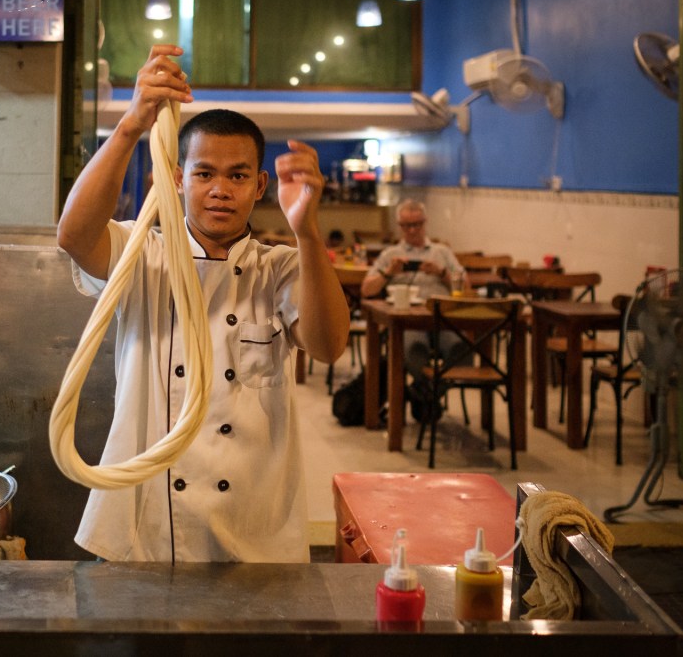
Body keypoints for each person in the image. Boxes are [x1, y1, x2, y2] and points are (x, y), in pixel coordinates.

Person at [56, 45, 349, 563]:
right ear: (177, 178)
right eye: (204, 173)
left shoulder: (279, 267)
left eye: (238, 176)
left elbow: (327, 346)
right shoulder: (144, 253)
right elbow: (74, 236)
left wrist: (307, 231)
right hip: (146, 523)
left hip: (253, 522)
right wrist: (130, 125)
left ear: (260, 185)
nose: (220, 190)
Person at [360, 200, 465, 412]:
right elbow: (367, 290)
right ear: (400, 226)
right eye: (407, 226)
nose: (412, 230)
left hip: (442, 320)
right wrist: (389, 273)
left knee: (462, 349)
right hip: (407, 321)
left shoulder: (442, 252)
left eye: (417, 224)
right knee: (414, 349)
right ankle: (426, 395)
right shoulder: (390, 255)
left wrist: (441, 272)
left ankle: (421, 392)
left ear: (425, 223)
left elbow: (465, 284)